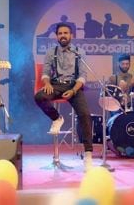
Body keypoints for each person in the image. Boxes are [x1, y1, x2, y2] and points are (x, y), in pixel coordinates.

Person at [34, 23, 93, 171]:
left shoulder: (79, 52)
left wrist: (73, 91)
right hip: (56, 85)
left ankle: (88, 155)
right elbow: (46, 73)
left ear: (71, 35)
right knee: (39, 96)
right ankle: (57, 118)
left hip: (74, 86)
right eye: (60, 33)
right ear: (56, 36)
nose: (63, 36)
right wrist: (47, 83)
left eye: (66, 33)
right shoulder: (50, 52)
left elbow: (82, 76)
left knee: (85, 115)